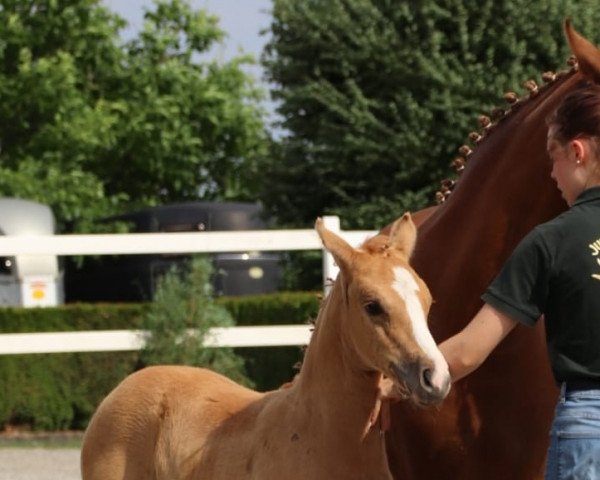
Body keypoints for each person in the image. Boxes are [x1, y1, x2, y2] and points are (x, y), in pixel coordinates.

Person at [439, 84, 600, 480]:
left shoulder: (551, 241)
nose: (551, 173)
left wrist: (390, 381)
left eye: (553, 155)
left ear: (576, 152)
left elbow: (466, 354)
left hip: (588, 432)